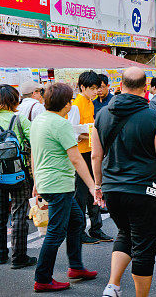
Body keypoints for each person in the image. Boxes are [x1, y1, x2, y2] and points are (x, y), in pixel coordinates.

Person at [91, 68, 156, 297]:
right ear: (145, 88)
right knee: (144, 245)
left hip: (113, 189)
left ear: (120, 85)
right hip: (144, 191)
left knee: (126, 232)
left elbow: (96, 155)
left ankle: (112, 286)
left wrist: (98, 185)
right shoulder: (154, 117)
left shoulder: (102, 115)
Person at [30, 82, 101, 292]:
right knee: (55, 232)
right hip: (59, 183)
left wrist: (36, 180)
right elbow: (77, 159)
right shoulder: (61, 124)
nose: (71, 104)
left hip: (47, 180)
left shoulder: (39, 120)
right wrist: (92, 185)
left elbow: (35, 153)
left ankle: (76, 267)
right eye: (70, 100)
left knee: (77, 220)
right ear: (66, 104)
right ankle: (42, 278)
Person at [0, 84, 36, 268]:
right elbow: (34, 141)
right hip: (21, 174)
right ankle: (19, 257)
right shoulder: (20, 121)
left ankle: (0, 255)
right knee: (19, 213)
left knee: (0, 215)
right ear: (14, 100)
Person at [69, 71, 112, 244]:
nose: (96, 91)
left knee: (95, 191)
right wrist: (92, 135)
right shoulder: (76, 105)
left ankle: (96, 229)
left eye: (98, 88)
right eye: (93, 88)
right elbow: (71, 132)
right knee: (81, 195)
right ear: (82, 87)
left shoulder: (90, 103)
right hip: (80, 154)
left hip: (91, 152)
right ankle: (79, 232)